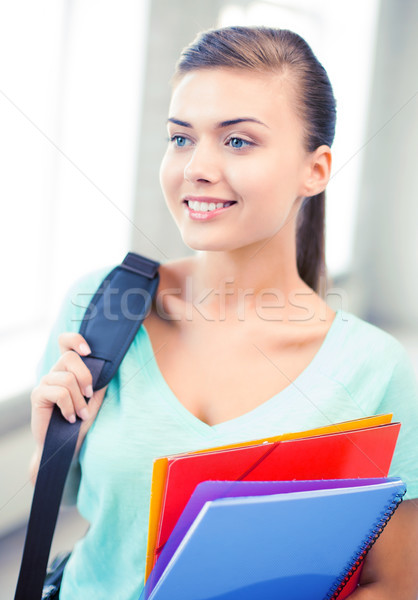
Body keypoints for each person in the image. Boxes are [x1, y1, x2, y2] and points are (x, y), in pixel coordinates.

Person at [30, 26, 418, 599]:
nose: (197, 167)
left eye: (238, 141)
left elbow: (397, 584)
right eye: (181, 138)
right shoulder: (100, 305)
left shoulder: (378, 371)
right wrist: (54, 441)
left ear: (315, 169)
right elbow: (65, 504)